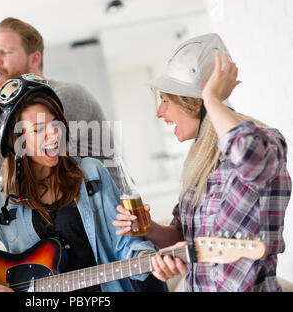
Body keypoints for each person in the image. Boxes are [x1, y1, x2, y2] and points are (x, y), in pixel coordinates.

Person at [0, 75, 156, 292]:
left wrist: (148, 257)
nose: (53, 133)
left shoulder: (91, 173)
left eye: (56, 123)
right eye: (38, 129)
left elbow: (127, 244)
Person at [114, 33, 291, 291]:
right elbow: (185, 235)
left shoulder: (265, 142)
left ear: (194, 103)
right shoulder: (201, 159)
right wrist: (149, 229)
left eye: (165, 100)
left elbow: (247, 157)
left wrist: (212, 99)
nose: (160, 112)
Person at [0, 17, 119, 187]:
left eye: (6, 52)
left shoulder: (66, 96)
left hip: (109, 212)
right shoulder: (6, 113)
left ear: (34, 59)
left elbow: (34, 170)